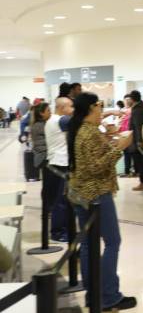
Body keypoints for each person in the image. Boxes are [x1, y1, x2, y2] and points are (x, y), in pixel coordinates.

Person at [67, 92, 136, 311]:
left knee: (88, 245)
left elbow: (89, 158)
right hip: (96, 194)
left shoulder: (82, 129)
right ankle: (108, 296)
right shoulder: (88, 133)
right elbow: (95, 166)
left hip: (80, 192)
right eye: (99, 105)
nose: (102, 109)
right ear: (91, 107)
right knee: (112, 242)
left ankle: (93, 294)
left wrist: (109, 137)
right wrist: (120, 147)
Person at [44, 97, 74, 242]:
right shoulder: (60, 120)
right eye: (71, 106)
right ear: (62, 108)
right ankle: (58, 232)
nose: (73, 109)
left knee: (61, 200)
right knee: (60, 201)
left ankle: (62, 230)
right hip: (59, 165)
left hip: (56, 164)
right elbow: (81, 122)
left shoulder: (52, 120)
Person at [129, 90, 143, 192]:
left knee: (141, 162)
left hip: (139, 140)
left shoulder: (137, 110)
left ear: (132, 99)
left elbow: (138, 126)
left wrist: (139, 141)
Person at [30, 101, 51, 188]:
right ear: (41, 113)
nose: (51, 113)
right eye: (48, 111)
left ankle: (47, 201)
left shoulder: (37, 124)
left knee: (46, 184)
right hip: (44, 157)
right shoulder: (41, 126)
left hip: (42, 157)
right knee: (48, 185)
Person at [118, 94, 135, 177]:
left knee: (131, 153)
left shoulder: (131, 110)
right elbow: (120, 121)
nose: (127, 102)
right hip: (123, 135)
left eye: (128, 100)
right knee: (126, 154)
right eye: (126, 100)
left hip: (130, 135)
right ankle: (127, 171)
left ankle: (131, 170)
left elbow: (126, 113)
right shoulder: (124, 110)